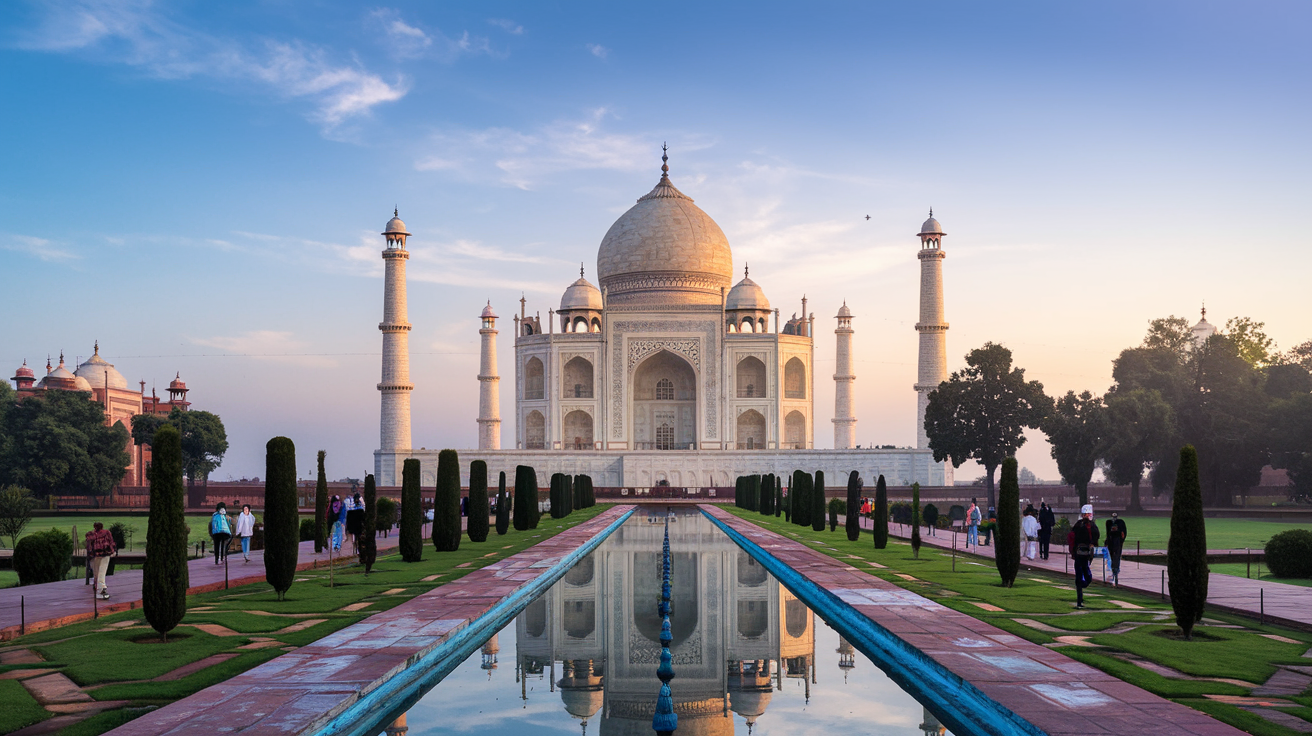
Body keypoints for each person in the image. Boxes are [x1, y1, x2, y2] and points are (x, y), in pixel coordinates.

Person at [1068, 504, 1100, 608]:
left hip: (1078, 552)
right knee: (1086, 573)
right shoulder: (1091, 526)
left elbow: (1072, 536)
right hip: (1085, 553)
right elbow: (1096, 536)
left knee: (1079, 574)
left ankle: (1079, 599)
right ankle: (1082, 590)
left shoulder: (1078, 525)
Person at [84, 522, 116, 600]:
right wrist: (113, 551)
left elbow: (89, 547)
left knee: (97, 574)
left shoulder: (90, 535)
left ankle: (100, 589)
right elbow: (111, 543)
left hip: (95, 556)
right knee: (102, 572)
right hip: (105, 555)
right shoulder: (107, 533)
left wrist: (89, 556)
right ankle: (101, 589)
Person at [1105, 512, 1128, 586]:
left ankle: (1116, 568)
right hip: (1111, 540)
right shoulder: (1109, 523)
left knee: (1117, 555)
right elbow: (1108, 532)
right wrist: (1107, 541)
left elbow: (1123, 532)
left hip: (1117, 540)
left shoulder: (1120, 523)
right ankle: (1112, 567)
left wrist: (1122, 540)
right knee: (1111, 554)